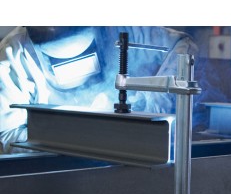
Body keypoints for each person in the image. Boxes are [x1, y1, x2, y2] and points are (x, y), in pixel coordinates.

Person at [0, 26, 197, 153]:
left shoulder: (121, 29)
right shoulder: (13, 56)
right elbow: (7, 136)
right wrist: (75, 139)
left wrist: (151, 107)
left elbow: (184, 46)